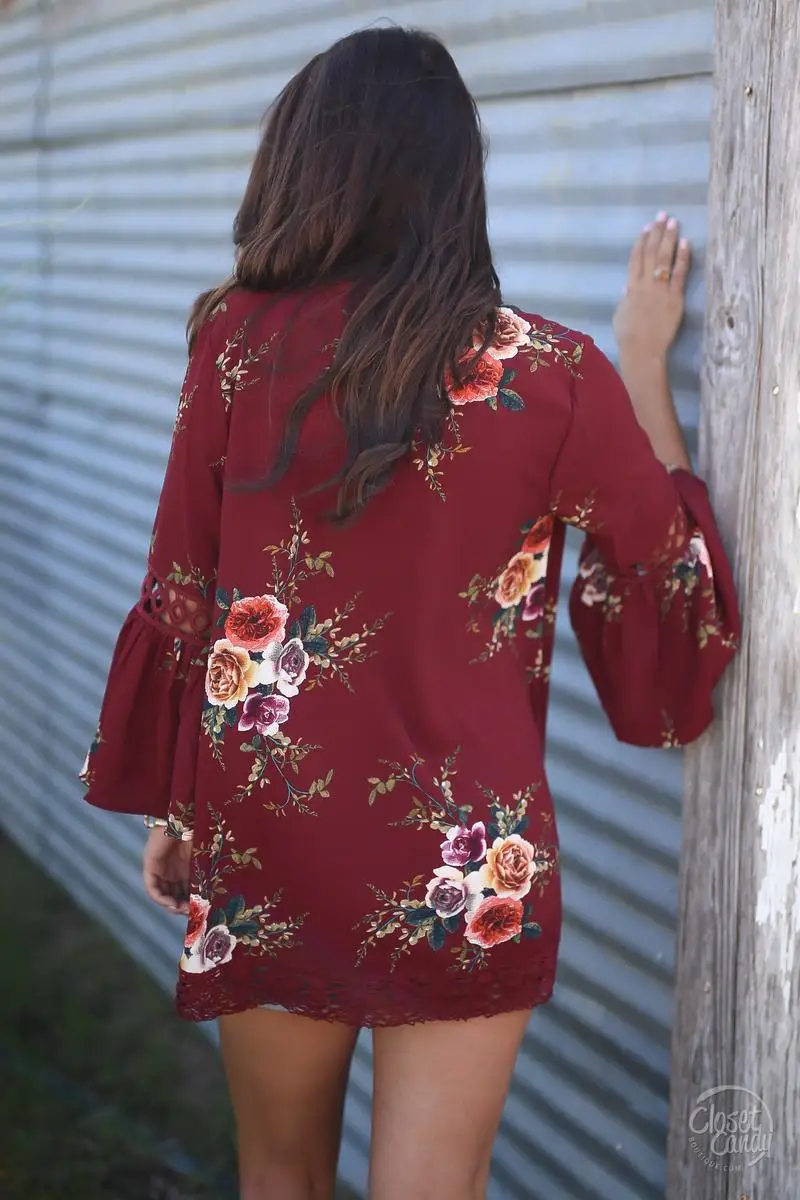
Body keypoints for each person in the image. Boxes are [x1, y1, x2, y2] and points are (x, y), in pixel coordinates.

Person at [81, 26, 740, 1200]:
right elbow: (669, 579)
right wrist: (642, 361)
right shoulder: (551, 374)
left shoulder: (233, 343)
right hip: (467, 860)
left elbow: (183, 594)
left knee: (277, 1175)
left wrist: (179, 808)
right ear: (456, 182)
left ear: (303, 167)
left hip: (270, 835)